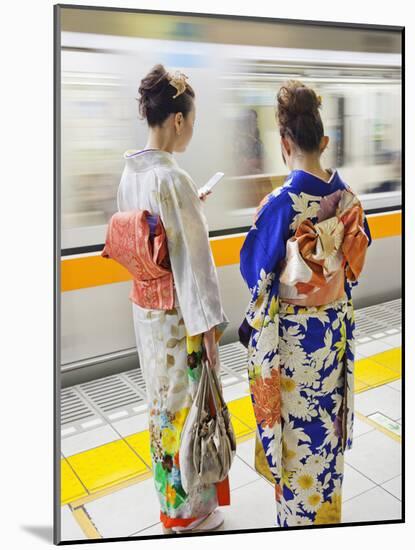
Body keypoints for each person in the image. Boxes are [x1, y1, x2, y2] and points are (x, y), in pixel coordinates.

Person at [239, 80, 372, 527]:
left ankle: (297, 524)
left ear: (284, 142)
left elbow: (254, 273)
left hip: (295, 347)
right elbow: (354, 265)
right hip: (333, 335)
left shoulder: (279, 204)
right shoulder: (350, 200)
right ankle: (327, 519)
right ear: (325, 141)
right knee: (326, 435)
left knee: (297, 441)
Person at [117, 64, 229, 534]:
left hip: (146, 315)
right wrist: (209, 334)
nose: (191, 131)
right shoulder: (174, 178)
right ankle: (191, 513)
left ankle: (167, 504)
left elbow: (150, 243)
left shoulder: (131, 173)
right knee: (189, 411)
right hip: (180, 321)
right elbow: (194, 267)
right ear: (177, 120)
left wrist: (189, 210)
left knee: (161, 407)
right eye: (192, 121)